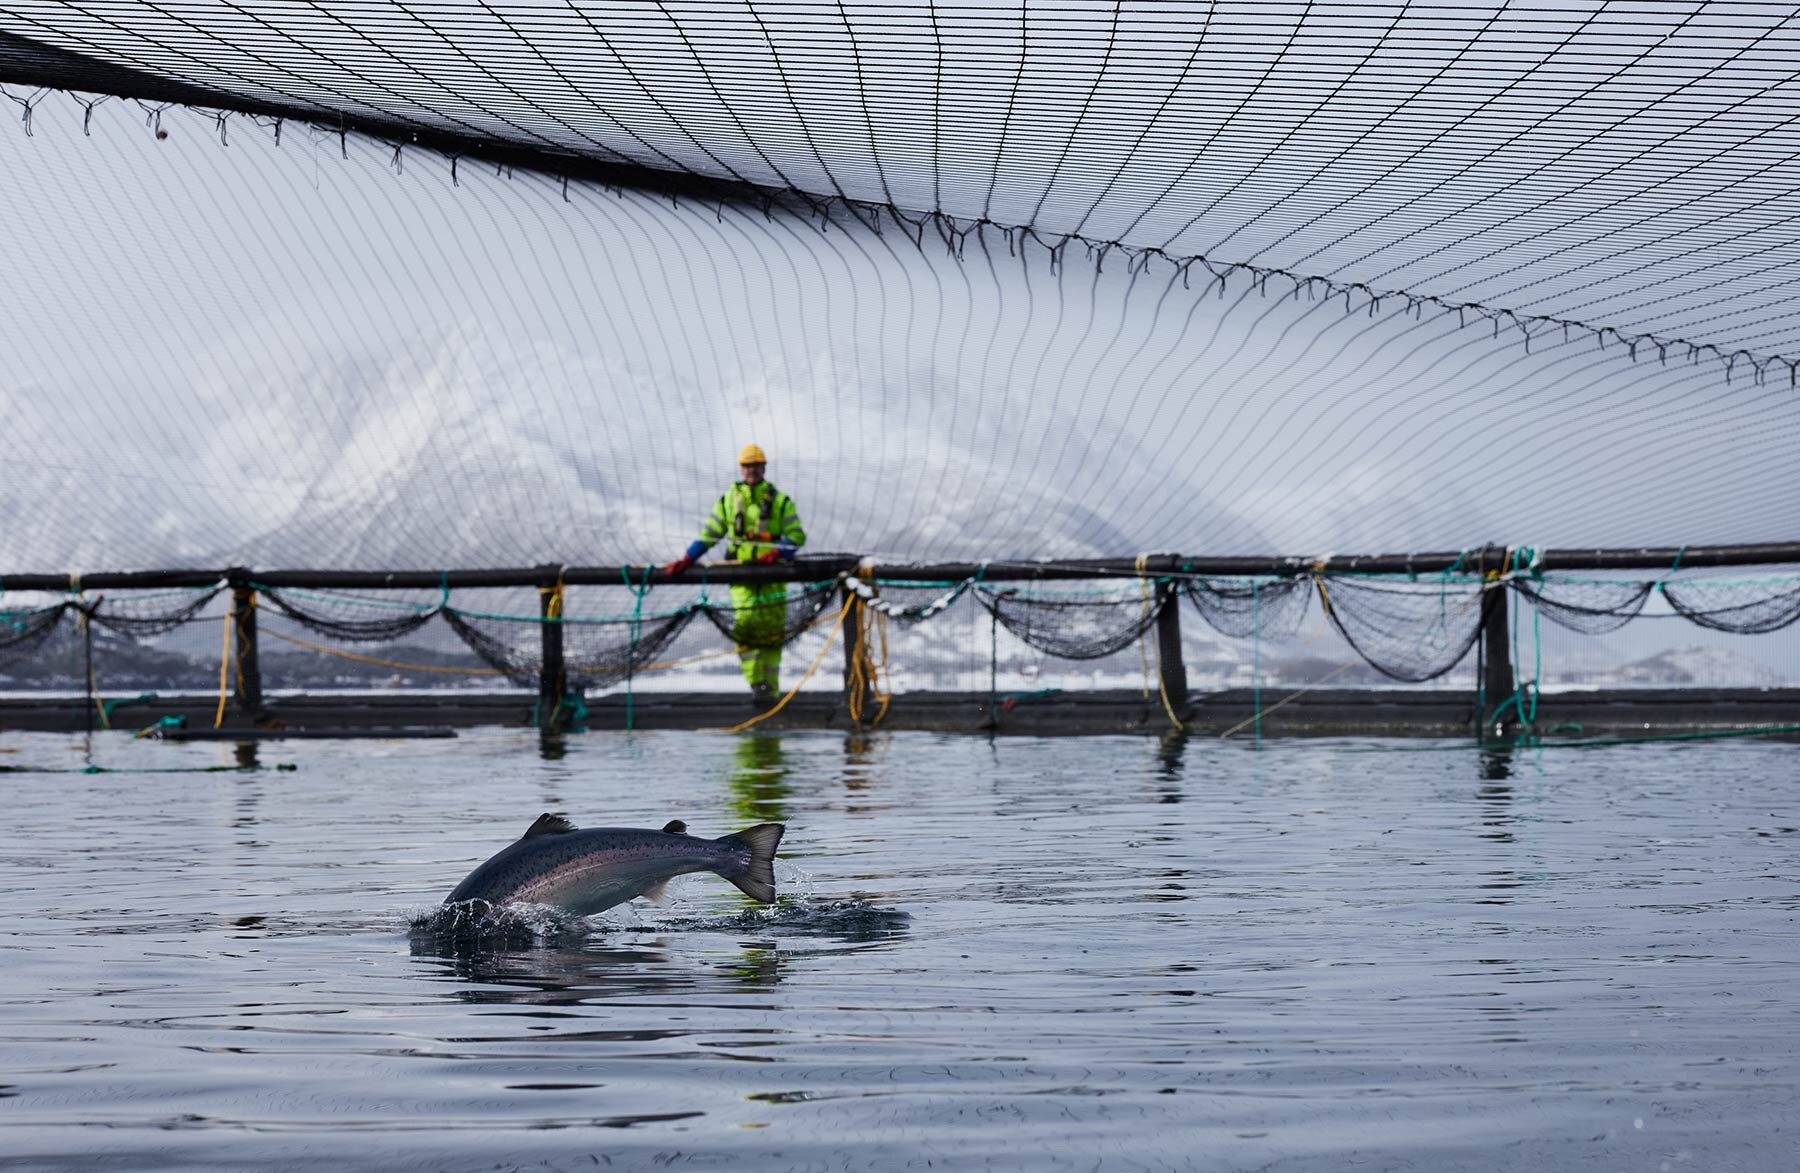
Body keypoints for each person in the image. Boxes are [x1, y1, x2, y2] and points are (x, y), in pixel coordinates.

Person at [663, 444, 807, 706]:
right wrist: (688, 558)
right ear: (742, 469)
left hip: (772, 576)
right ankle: (757, 686)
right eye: (747, 465)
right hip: (741, 576)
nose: (752, 470)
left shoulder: (781, 501)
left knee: (773, 631)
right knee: (746, 628)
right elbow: (710, 534)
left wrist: (778, 553)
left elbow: (797, 536)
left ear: (764, 467)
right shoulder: (728, 501)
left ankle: (771, 693)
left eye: (756, 465)